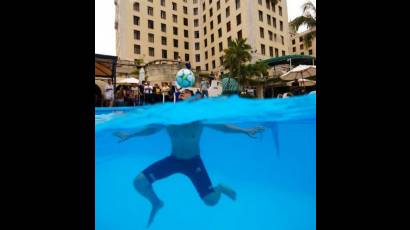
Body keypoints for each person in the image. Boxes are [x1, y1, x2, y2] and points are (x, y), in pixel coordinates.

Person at [113, 90, 265, 227]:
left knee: (211, 201)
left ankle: (219, 188)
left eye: (189, 96)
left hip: (193, 163)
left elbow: (224, 128)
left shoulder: (199, 120)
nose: (186, 99)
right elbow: (151, 130)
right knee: (139, 182)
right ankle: (156, 202)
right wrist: (130, 135)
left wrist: (245, 130)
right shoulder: (170, 119)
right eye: (183, 96)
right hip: (174, 160)